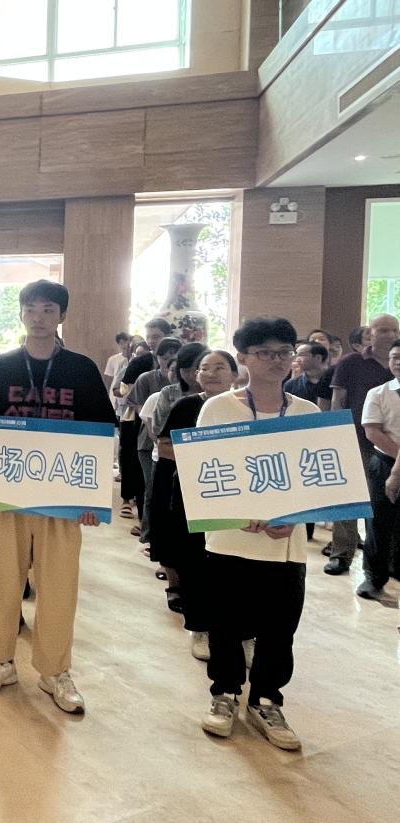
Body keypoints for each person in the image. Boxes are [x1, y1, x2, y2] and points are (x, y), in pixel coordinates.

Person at [0, 280, 115, 715]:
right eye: (31, 309)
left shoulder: (81, 369)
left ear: (61, 315)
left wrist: (93, 498)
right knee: (2, 580)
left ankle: (54, 670)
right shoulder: (1, 366)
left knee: (60, 585)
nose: (39, 317)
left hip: (62, 498)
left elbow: (101, 433)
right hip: (8, 495)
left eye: (48, 309)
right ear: (21, 315)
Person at [196, 317, 318, 751]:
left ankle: (266, 699)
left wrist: (297, 516)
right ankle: (225, 693)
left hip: (286, 544)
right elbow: (203, 472)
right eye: (265, 352)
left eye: (284, 352)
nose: (276, 360)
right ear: (243, 357)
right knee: (225, 621)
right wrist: (237, 513)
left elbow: (316, 480)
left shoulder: (308, 413)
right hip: (229, 538)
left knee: (280, 627)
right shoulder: (218, 409)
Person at [154, 349, 238, 661]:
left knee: (234, 568)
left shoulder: (244, 407)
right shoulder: (186, 405)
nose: (211, 373)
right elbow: (164, 447)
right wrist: (205, 461)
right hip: (192, 495)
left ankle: (242, 632)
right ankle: (199, 627)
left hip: (235, 498)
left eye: (220, 367)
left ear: (235, 374)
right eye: (205, 368)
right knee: (194, 562)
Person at [326, 314, 398, 574]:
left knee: (386, 502)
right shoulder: (351, 362)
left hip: (392, 445)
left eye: (394, 330)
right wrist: (336, 435)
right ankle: (341, 554)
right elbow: (338, 400)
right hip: (356, 438)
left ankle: (387, 559)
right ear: (370, 333)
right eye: (383, 330)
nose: (389, 335)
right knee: (349, 497)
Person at [142, 342, 207, 613]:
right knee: (167, 528)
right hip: (169, 467)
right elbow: (159, 433)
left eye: (200, 368)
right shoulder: (170, 395)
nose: (196, 374)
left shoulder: (227, 402)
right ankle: (174, 584)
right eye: (190, 369)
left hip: (208, 473)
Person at [359, 342, 400, 603]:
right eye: (395, 357)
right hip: (384, 462)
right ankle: (373, 577)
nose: (398, 362)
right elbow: (372, 431)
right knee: (378, 522)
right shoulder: (378, 393)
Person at [130, 337, 183, 535]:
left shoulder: (188, 389)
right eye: (164, 356)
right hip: (148, 443)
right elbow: (139, 408)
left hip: (176, 448)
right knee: (151, 488)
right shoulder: (147, 380)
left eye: (174, 355)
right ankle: (147, 531)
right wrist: (158, 438)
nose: (169, 360)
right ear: (157, 357)